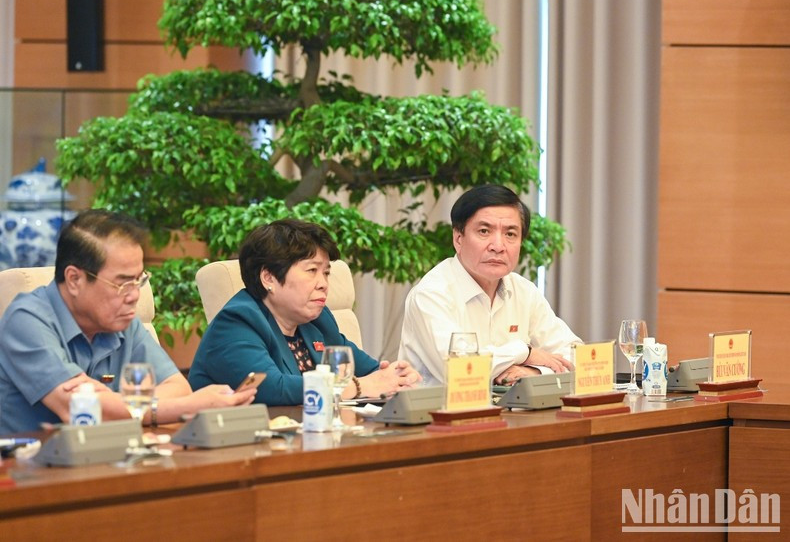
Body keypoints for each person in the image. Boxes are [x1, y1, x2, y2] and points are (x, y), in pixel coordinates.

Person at [0, 210, 255, 435]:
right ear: (75, 279)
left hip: (106, 458)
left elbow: (177, 388)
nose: (134, 296)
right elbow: (81, 409)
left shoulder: (121, 320)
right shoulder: (27, 320)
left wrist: (115, 403)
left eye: (139, 280)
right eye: (122, 283)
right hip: (28, 467)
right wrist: (189, 406)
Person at [189, 219, 421, 405]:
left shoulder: (318, 321)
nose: (323, 284)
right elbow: (272, 388)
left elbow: (370, 370)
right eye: (311, 271)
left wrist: (397, 376)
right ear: (268, 277)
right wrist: (359, 387)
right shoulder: (237, 322)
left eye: (326, 273)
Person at [398, 185, 581, 386]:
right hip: (439, 406)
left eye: (510, 234)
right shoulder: (432, 293)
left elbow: (575, 354)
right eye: (484, 231)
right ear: (458, 239)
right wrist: (525, 352)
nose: (498, 246)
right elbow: (461, 371)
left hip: (513, 406)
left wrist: (534, 371)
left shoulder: (524, 291)